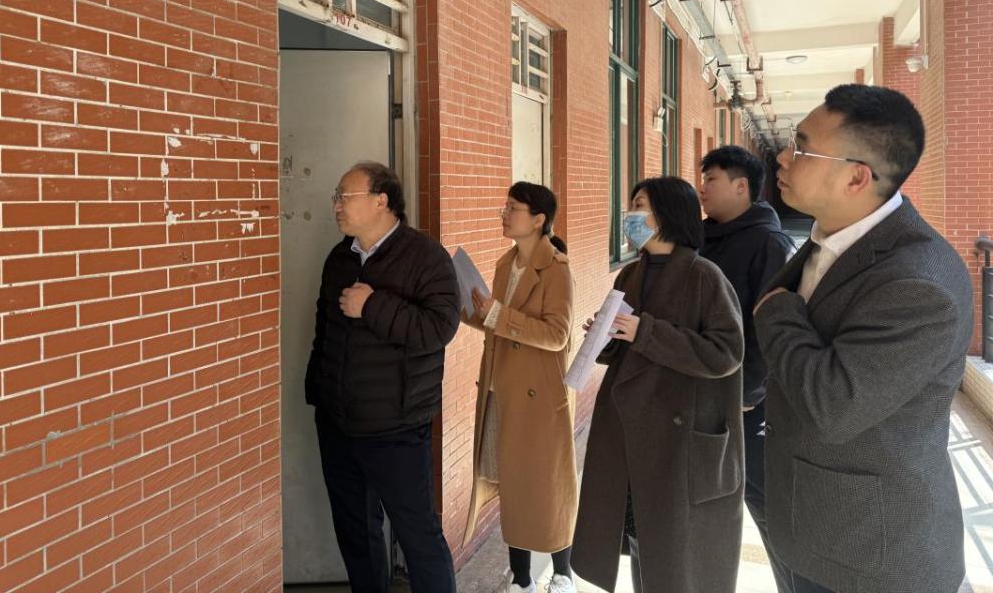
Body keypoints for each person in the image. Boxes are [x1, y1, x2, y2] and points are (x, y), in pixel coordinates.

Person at [754, 85, 973, 593]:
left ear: (857, 177)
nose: (783, 157)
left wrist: (777, 312)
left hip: (870, 556)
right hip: (806, 527)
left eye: (802, 147)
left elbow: (834, 407)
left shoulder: (921, 282)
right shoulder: (832, 236)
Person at [572, 176, 744, 593]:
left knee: (673, 557)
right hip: (628, 433)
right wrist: (605, 337)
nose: (629, 215)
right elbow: (627, 349)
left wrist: (644, 331)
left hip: (678, 440)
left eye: (639, 205)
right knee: (637, 539)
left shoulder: (705, 276)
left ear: (667, 213)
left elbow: (726, 352)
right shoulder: (630, 274)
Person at [304, 161, 459, 593]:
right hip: (338, 424)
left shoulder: (425, 257)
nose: (336, 205)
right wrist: (318, 392)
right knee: (356, 535)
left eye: (344, 196)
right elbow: (323, 329)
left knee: (418, 536)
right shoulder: (340, 257)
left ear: (381, 201)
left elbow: (439, 328)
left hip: (396, 426)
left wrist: (373, 306)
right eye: (336, 197)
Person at [462, 182, 577, 593]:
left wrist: (497, 314)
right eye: (505, 207)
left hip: (539, 397)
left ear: (539, 219)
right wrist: (469, 311)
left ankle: (562, 575)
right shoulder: (504, 264)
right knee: (513, 485)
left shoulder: (557, 269)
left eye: (513, 208)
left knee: (547, 487)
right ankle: (522, 579)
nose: (504, 215)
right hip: (501, 389)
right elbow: (500, 325)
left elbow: (557, 335)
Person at [699, 146, 796, 592]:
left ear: (741, 187)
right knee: (707, 510)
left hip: (745, 407)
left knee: (766, 506)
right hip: (700, 400)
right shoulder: (702, 239)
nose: (703, 189)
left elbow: (770, 331)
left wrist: (746, 394)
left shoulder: (770, 245)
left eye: (711, 179)